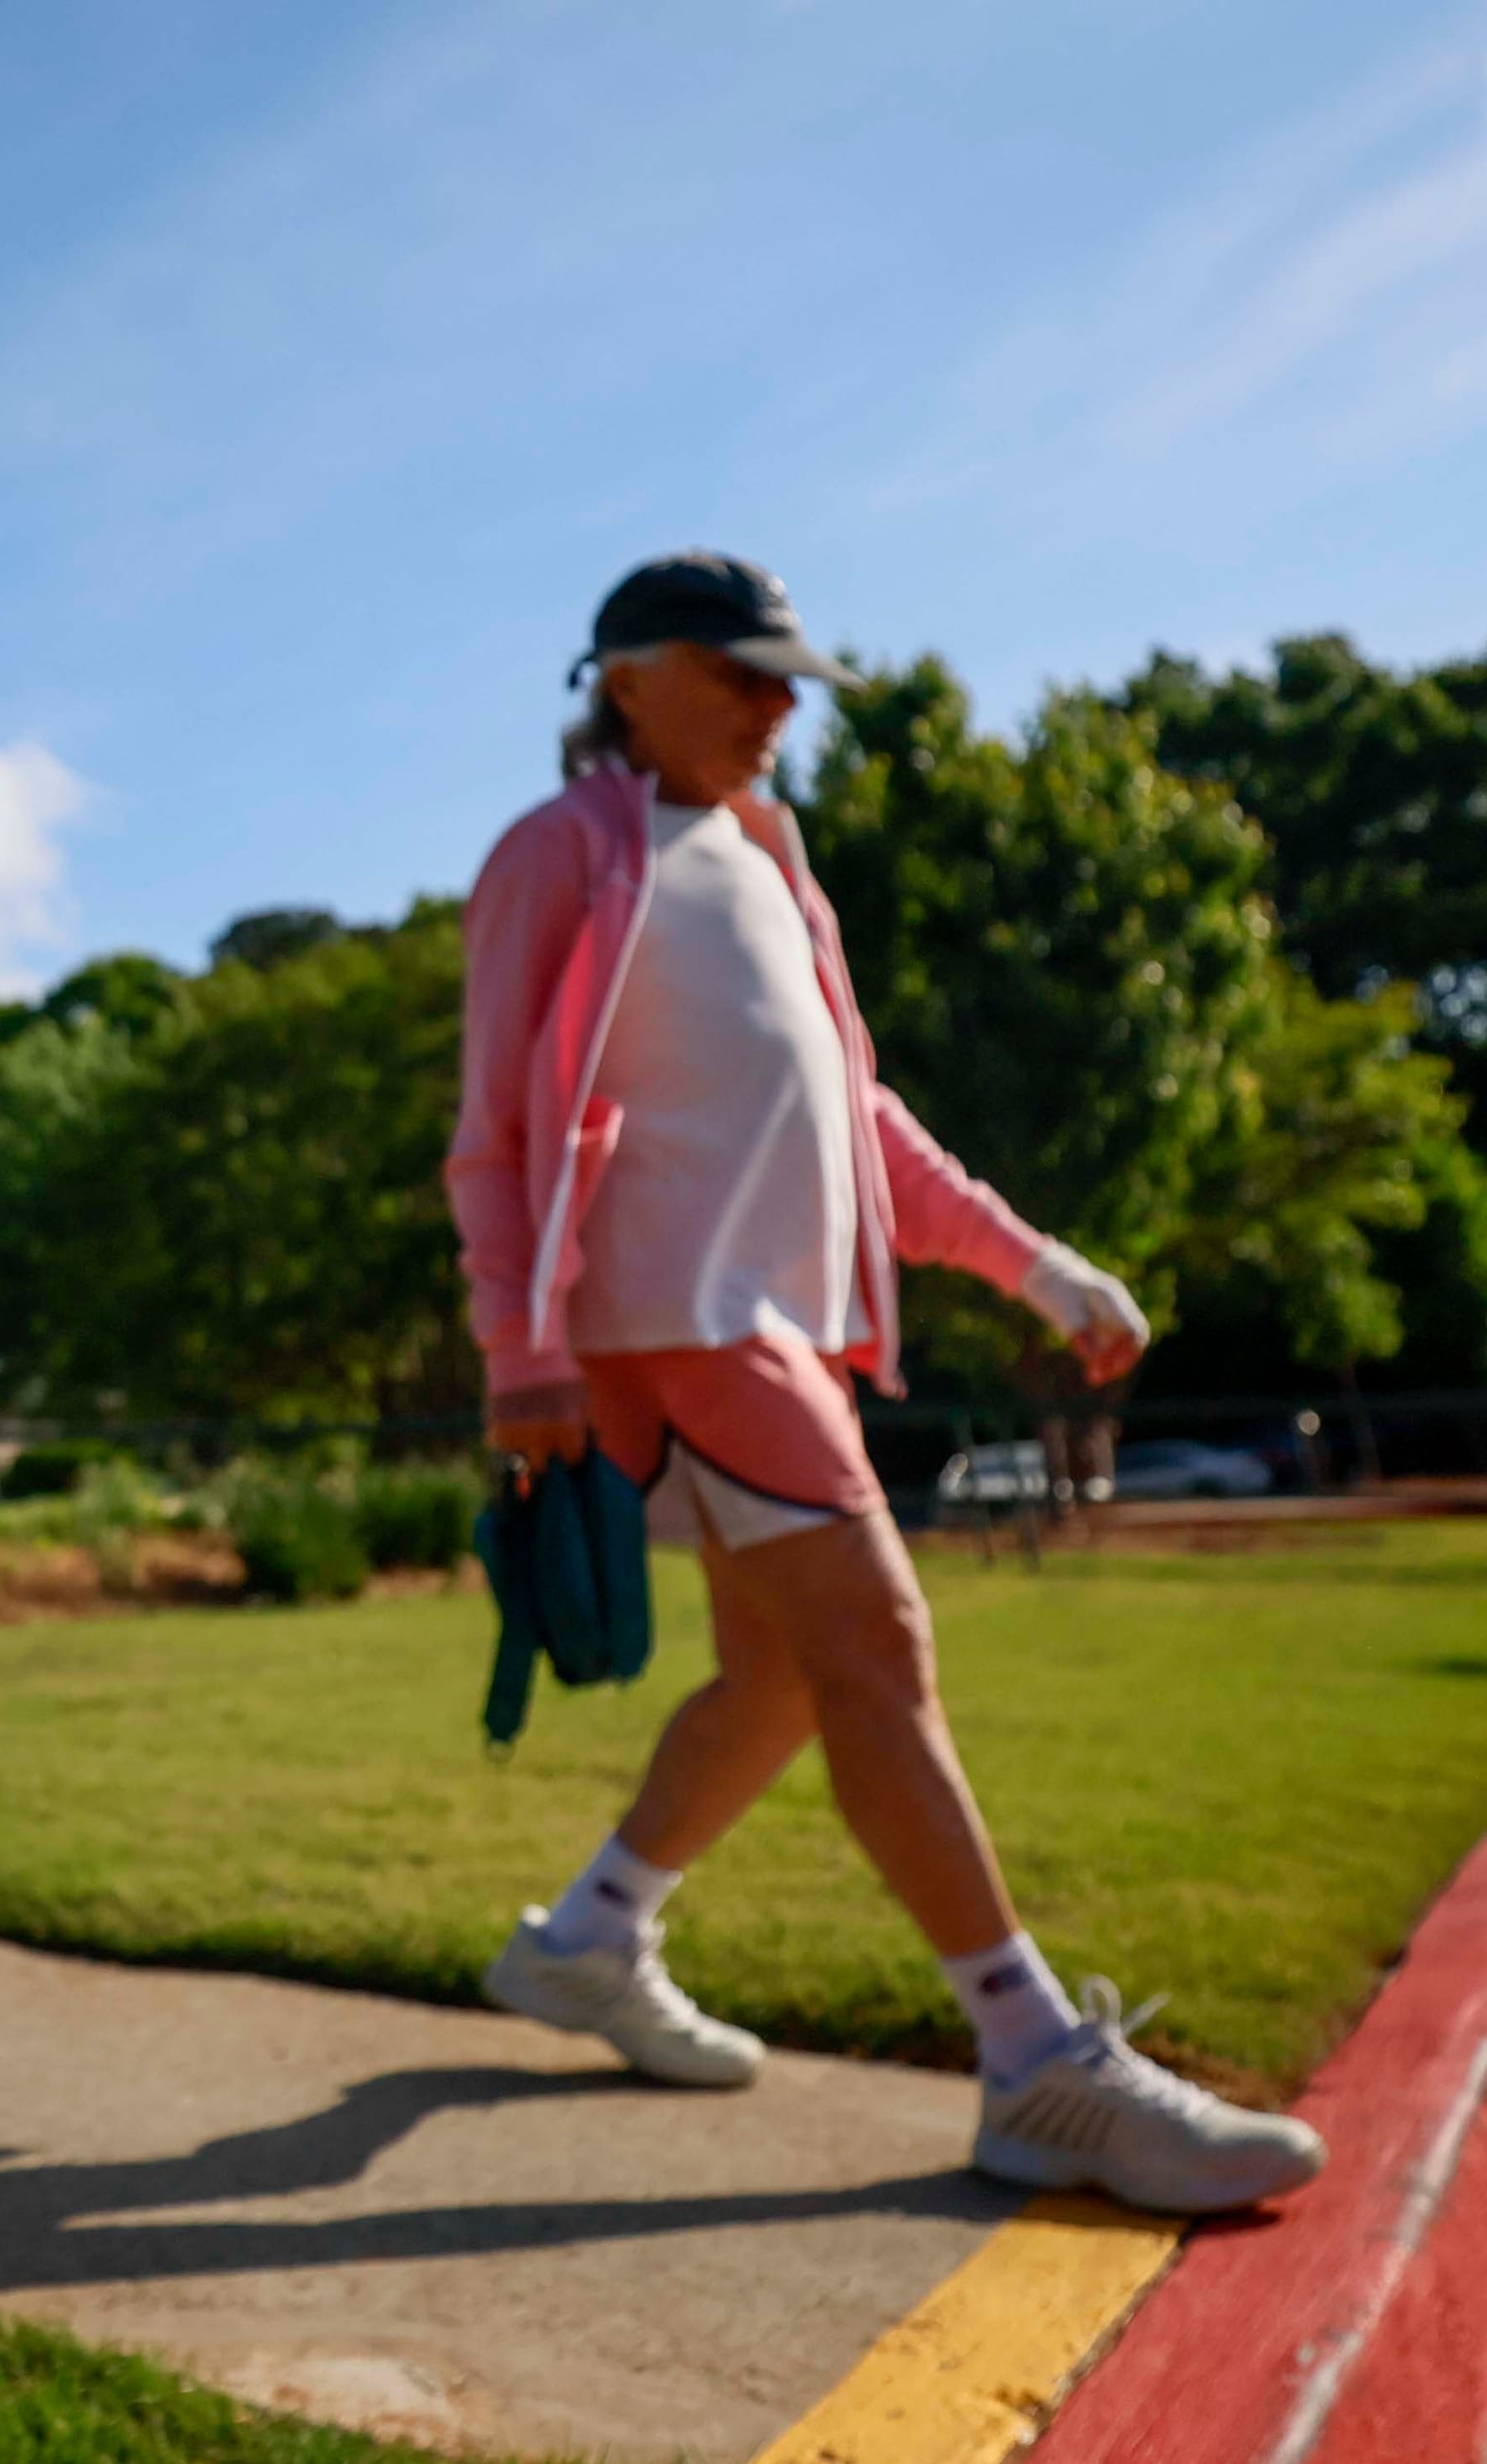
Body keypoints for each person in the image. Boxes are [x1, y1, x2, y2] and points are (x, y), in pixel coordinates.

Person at [449, 551, 1324, 2216]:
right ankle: (1034, 2057)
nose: (780, 702)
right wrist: (522, 1356)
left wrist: (1032, 1262)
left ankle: (588, 1937)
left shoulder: (769, 857)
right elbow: (491, 1124)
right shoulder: (560, 853)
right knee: (881, 1646)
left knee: (785, 1678)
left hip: (774, 1323)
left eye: (789, 674)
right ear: (628, 678)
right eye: (742, 669)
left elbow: (858, 1118)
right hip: (675, 1319)